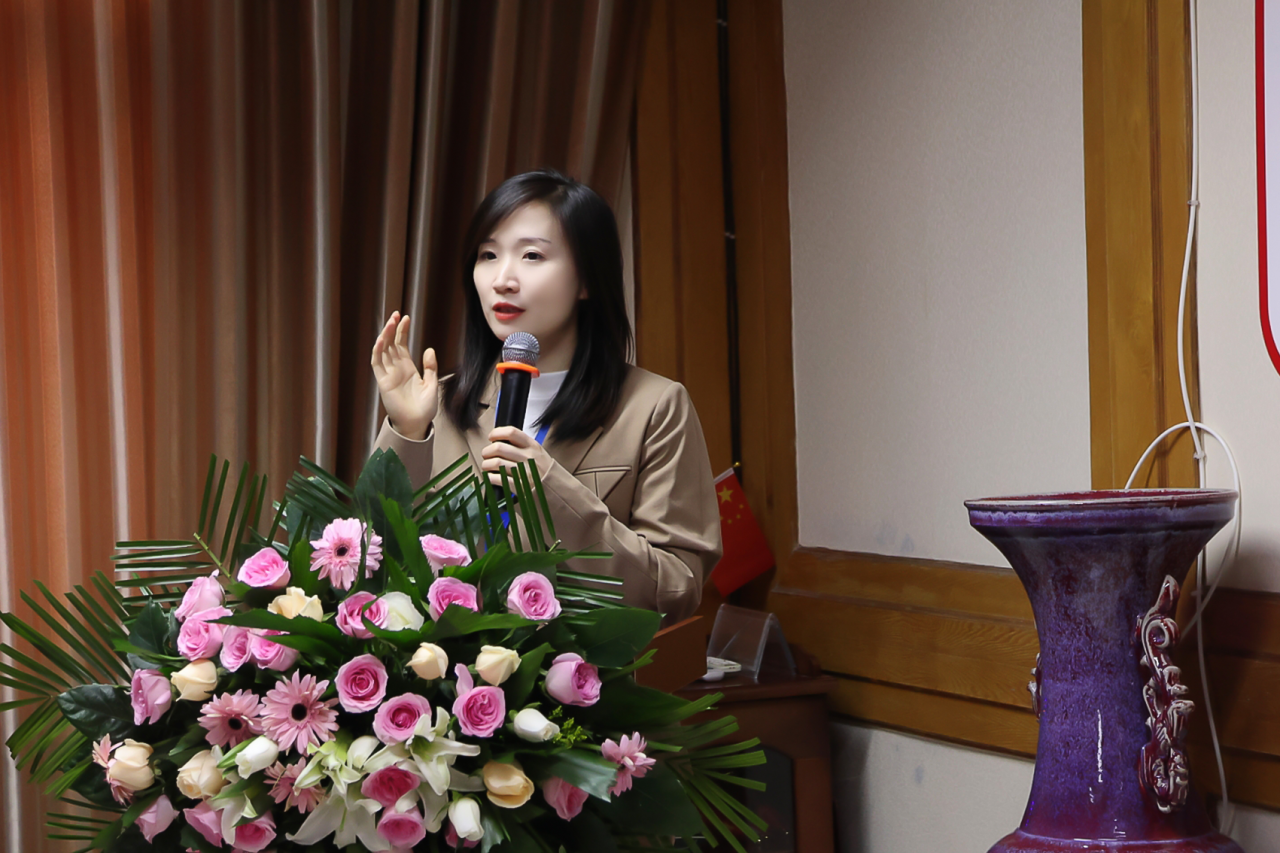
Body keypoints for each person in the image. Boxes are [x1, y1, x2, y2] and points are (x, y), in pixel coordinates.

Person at [370, 169, 721, 624]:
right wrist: (408, 432)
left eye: (532, 255)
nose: (502, 279)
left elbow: (675, 589)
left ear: (586, 279)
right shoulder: (437, 402)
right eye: (488, 255)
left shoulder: (655, 407)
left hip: (579, 668)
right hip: (446, 666)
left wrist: (551, 491)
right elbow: (366, 567)